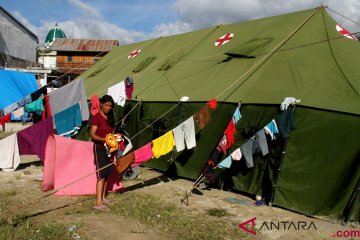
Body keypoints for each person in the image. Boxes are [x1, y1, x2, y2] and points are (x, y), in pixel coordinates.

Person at [89, 95, 115, 210]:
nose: (108, 107)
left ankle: (103, 197)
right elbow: (92, 135)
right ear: (101, 105)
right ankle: (98, 202)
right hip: (99, 148)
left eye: (110, 106)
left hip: (109, 149)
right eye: (106, 105)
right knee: (101, 174)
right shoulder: (97, 117)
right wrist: (104, 140)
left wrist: (115, 139)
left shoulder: (110, 118)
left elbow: (111, 132)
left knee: (107, 173)